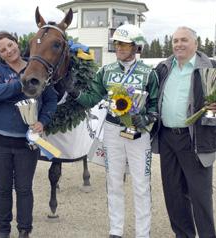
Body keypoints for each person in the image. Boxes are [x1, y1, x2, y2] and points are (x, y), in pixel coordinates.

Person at [67, 24, 158, 238]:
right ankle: (115, 231)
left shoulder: (149, 73)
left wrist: (144, 119)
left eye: (124, 44)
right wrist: (73, 92)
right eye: (117, 43)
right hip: (112, 132)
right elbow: (92, 98)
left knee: (141, 184)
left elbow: (155, 106)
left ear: (136, 47)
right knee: (114, 182)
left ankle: (143, 233)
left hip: (139, 134)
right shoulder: (106, 71)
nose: (119, 47)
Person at [153, 26, 216, 238]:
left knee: (200, 197)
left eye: (184, 40)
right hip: (168, 139)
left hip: (196, 140)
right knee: (174, 195)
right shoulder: (163, 68)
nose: (178, 44)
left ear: (196, 44)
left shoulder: (214, 69)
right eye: (175, 41)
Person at [0, 31, 57, 238]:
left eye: (10, 45)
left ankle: (24, 230)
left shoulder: (37, 66)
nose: (9, 51)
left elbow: (51, 100)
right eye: (3, 50)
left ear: (17, 44)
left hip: (26, 142)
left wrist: (43, 121)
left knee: (24, 188)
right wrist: (23, 81)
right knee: (2, 189)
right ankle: (3, 229)